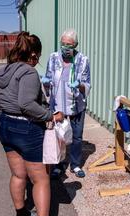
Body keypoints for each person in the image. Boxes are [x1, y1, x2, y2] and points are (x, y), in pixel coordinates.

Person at [0, 32, 63, 216]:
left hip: (5, 124)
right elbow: (26, 104)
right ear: (33, 54)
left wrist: (4, 125)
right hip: (26, 127)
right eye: (38, 56)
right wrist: (50, 116)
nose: (38, 60)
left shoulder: (3, 70)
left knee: (17, 174)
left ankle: (22, 214)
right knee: (40, 179)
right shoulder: (29, 73)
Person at [42, 28, 91, 178]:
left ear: (75, 45)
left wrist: (80, 85)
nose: (65, 47)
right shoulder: (53, 57)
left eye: (69, 45)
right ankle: (58, 164)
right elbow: (48, 78)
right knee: (58, 135)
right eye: (63, 44)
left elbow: (87, 84)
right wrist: (45, 83)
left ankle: (75, 165)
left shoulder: (83, 60)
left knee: (76, 136)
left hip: (76, 104)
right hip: (57, 105)